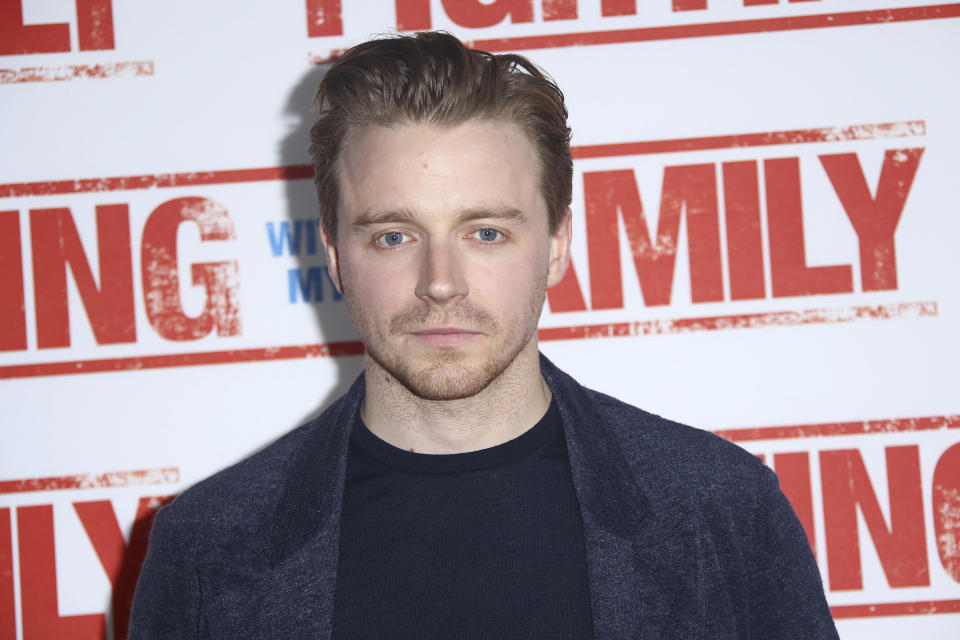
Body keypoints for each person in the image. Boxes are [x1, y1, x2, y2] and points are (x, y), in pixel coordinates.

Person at [130, 31, 839, 639]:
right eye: (394, 235)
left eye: (487, 232)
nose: (441, 281)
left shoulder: (723, 510)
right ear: (336, 256)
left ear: (557, 244)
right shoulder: (208, 548)